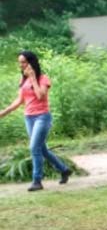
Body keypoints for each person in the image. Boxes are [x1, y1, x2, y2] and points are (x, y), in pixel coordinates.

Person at [0, 50, 71, 191]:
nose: (21, 65)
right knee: (42, 149)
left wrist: (33, 78)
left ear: (31, 63)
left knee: (34, 148)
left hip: (42, 117)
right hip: (29, 117)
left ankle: (37, 181)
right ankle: (64, 169)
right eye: (19, 62)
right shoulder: (23, 80)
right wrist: (4, 112)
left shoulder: (43, 79)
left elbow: (40, 96)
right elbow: (20, 100)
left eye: (24, 62)